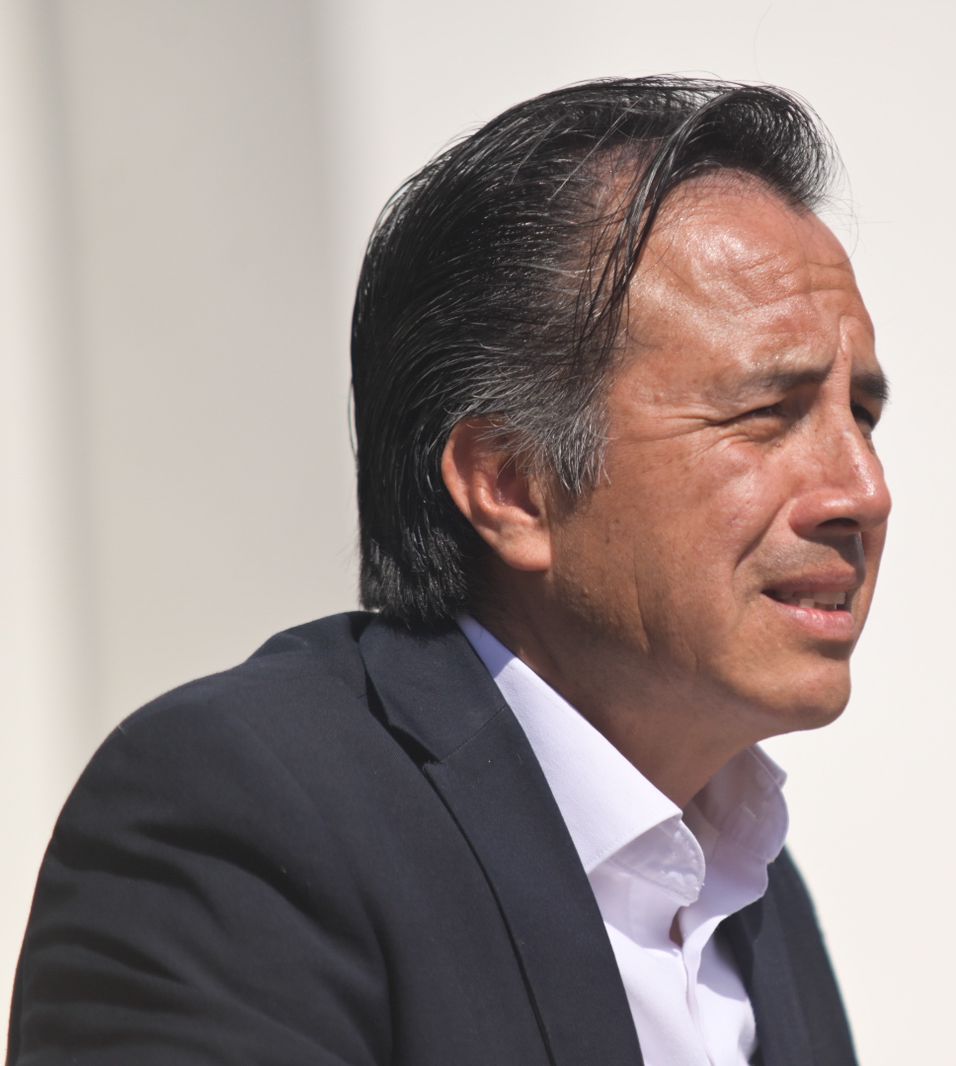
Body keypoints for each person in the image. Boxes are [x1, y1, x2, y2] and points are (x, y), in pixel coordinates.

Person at [8, 76, 889, 1065]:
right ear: (512, 486)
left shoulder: (747, 882)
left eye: (862, 415)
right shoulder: (245, 812)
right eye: (767, 413)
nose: (863, 490)